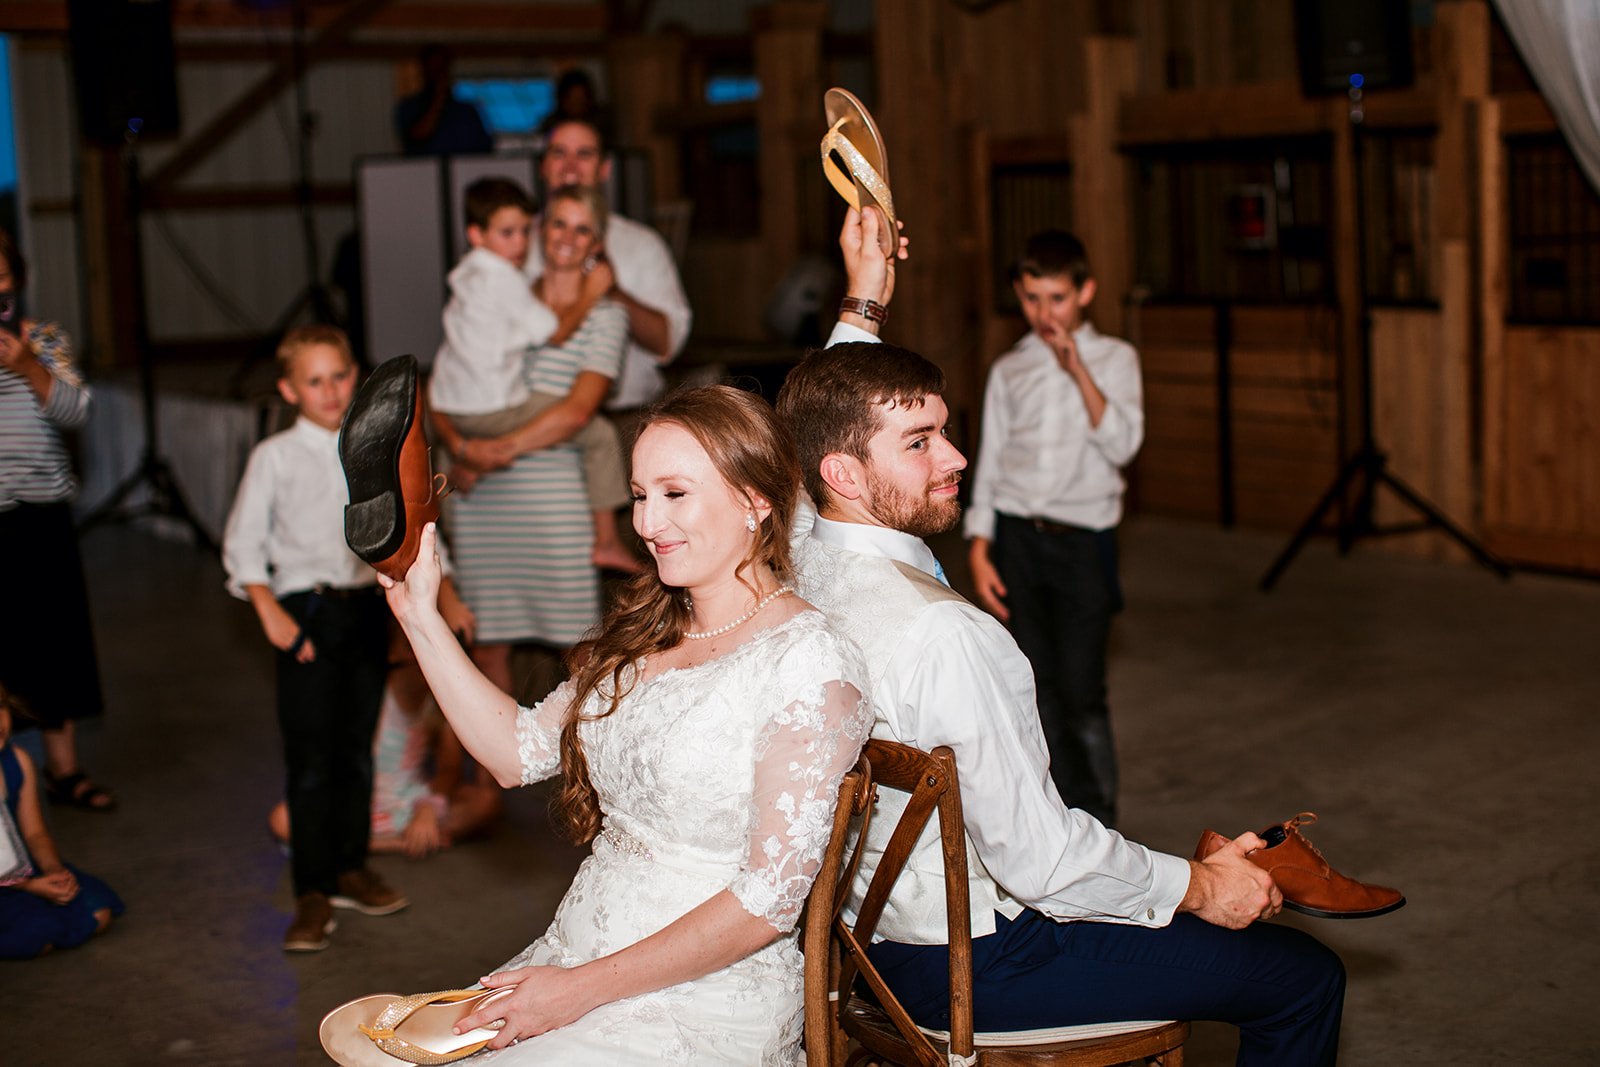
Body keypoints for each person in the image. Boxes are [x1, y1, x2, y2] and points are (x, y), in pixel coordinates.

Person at [776, 207, 1345, 1065]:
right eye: (922, 442)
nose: (957, 456)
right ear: (846, 475)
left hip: (862, 945)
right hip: (973, 965)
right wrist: (1200, 887)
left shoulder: (797, 567)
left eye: (946, 431)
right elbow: (1040, 861)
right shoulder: (950, 635)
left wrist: (863, 298)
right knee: (1300, 975)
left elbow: (803, 443)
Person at [379, 385, 872, 1061]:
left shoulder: (809, 659)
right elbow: (515, 752)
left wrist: (576, 991)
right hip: (577, 951)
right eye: (640, 495)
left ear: (757, 501)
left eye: (675, 493)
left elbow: (767, 902)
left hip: (698, 997)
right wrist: (420, 616)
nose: (646, 521)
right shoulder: (647, 630)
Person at [222, 325, 475, 952]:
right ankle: (312, 888)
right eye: (315, 381)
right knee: (313, 759)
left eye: (340, 376)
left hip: (367, 608)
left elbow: (412, 525)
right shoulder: (274, 456)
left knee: (357, 748)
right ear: (289, 388)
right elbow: (243, 543)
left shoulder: (376, 450)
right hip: (305, 614)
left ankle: (350, 867)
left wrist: (449, 595)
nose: (331, 390)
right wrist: (270, 613)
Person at [965, 229, 1141, 826]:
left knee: (1081, 692)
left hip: (1083, 545)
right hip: (1018, 541)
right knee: (1031, 686)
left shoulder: (1117, 359)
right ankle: (1057, 819)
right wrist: (982, 546)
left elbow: (1123, 444)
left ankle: (1103, 820)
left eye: (1058, 298)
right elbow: (990, 459)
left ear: (1085, 293)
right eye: (1033, 298)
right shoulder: (1010, 368)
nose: (1046, 313)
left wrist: (1077, 370)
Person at [433, 185, 629, 697]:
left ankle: (594, 769)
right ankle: (490, 773)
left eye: (581, 227)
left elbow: (578, 411)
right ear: (541, 232)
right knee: (485, 646)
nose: (566, 237)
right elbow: (448, 384)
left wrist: (493, 453)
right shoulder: (501, 294)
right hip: (482, 501)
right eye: (557, 224)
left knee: (580, 646)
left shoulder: (605, 315)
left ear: (597, 242)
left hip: (555, 507)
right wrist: (463, 448)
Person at [0, 228, 115, 813]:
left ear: (15, 278)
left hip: (43, 516)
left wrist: (30, 367)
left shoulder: (43, 339)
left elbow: (79, 409)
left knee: (55, 644)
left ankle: (63, 772)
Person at [267, 646, 503, 860]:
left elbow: (449, 770)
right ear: (394, 654)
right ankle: (391, 844)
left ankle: (403, 835)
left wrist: (428, 807)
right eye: (417, 655)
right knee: (283, 819)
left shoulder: (441, 705)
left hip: (408, 800)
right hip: (356, 800)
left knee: (485, 801)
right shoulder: (370, 693)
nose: (426, 666)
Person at [531, 117, 691, 423]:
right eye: (559, 153)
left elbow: (668, 343)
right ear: (543, 166)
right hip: (531, 421)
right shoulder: (514, 243)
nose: (570, 166)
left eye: (584, 154)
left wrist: (614, 292)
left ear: (605, 168)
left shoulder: (641, 244)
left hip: (624, 421)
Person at [0, 684, 124, 959]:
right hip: (9, 880)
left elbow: (34, 834)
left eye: (0, 707)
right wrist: (30, 887)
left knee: (98, 911)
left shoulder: (17, 761)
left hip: (19, 872)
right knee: (38, 934)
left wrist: (53, 871)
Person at [395, 44, 493, 157]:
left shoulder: (467, 111)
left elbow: (484, 149)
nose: (438, 76)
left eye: (442, 69)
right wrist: (438, 98)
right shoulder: (410, 107)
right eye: (433, 70)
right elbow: (417, 138)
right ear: (423, 71)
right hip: (422, 171)